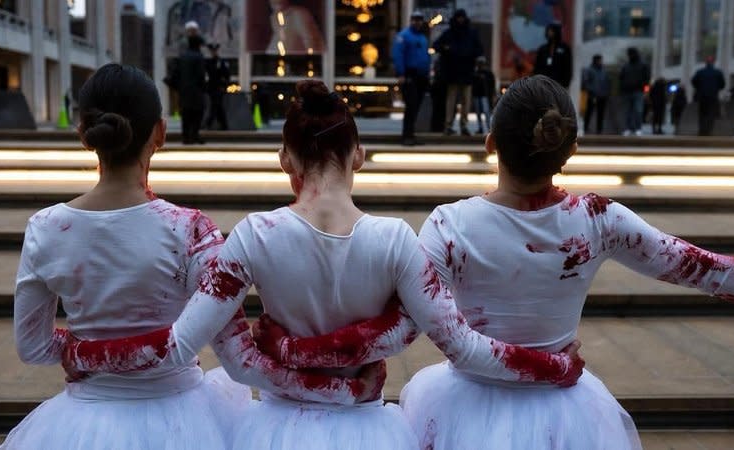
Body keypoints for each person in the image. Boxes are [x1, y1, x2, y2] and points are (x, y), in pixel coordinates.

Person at [266, 75, 734, 449]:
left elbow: (397, 329)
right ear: (568, 150)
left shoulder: (452, 226)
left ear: (491, 143)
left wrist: (292, 351)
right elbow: (711, 270)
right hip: (570, 409)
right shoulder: (598, 219)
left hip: (465, 408)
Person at [59, 80, 584, 449]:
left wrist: (78, 349)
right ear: (358, 154)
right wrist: (552, 364)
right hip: (367, 427)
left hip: (276, 427)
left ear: (285, 159)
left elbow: (219, 355)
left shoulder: (250, 237)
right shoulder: (397, 241)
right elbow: (458, 343)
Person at [0, 63, 251, 449]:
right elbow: (232, 348)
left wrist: (89, 349)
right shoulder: (190, 230)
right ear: (160, 133)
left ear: (84, 135)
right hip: (184, 416)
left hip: (82, 419)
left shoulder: (46, 228)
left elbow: (32, 347)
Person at [433, 9, 483, 136]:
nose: (460, 20)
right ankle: (449, 125)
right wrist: (446, 50)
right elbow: (436, 45)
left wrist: (448, 50)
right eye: (459, 17)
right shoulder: (453, 33)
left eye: (462, 17)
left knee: (463, 101)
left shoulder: (466, 33)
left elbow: (479, 49)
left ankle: (462, 125)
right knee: (453, 101)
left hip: (463, 72)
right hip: (455, 72)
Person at [393, 10, 431, 146]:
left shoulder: (422, 37)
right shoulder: (404, 36)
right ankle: (406, 136)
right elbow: (398, 55)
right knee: (411, 105)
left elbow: (426, 56)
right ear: (411, 21)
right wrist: (401, 73)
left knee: (416, 107)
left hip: (421, 76)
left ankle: (411, 134)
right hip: (409, 75)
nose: (417, 22)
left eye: (419, 20)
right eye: (415, 19)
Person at [179, 34, 207, 144]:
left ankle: (186, 137)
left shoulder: (183, 56)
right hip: (196, 91)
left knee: (186, 114)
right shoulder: (198, 57)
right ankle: (194, 135)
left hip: (184, 90)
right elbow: (201, 75)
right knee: (197, 113)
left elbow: (176, 73)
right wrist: (204, 87)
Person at [691, 56, 726, 136]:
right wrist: (716, 88)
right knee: (711, 114)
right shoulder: (717, 72)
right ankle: (709, 130)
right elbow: (722, 84)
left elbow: (693, 82)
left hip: (702, 96)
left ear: (706, 63)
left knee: (702, 114)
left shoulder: (700, 72)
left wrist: (699, 88)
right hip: (713, 96)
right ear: (713, 62)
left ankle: (702, 130)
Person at [619, 47, 650, 136]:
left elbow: (646, 79)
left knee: (637, 110)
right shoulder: (626, 66)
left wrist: (645, 91)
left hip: (638, 91)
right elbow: (621, 78)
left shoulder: (642, 65)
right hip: (628, 91)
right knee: (629, 111)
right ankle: (629, 128)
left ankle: (637, 128)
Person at [533, 23, 572, 89]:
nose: (549, 33)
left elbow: (568, 67)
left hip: (559, 83)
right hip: (543, 83)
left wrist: (566, 83)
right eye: (548, 31)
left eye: (551, 31)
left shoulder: (565, 48)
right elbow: (537, 66)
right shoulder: (543, 49)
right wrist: (537, 80)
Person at [582, 54, 609, 134]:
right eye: (599, 60)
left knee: (601, 114)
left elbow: (607, 82)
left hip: (602, 96)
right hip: (592, 96)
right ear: (595, 60)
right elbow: (585, 82)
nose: (600, 62)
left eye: (601, 60)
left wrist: (606, 92)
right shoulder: (589, 70)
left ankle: (599, 130)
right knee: (589, 113)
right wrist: (591, 90)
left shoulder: (603, 71)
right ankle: (585, 128)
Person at [205, 42, 230, 130]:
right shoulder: (208, 62)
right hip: (212, 87)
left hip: (219, 87)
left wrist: (225, 86)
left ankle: (209, 123)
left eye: (215, 51)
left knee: (215, 105)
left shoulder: (221, 62)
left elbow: (227, 75)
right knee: (217, 106)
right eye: (212, 51)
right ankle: (224, 125)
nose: (213, 52)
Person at [471, 56, 496, 135]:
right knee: (478, 113)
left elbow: (492, 84)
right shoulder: (475, 73)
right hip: (477, 95)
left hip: (484, 95)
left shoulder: (488, 73)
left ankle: (489, 128)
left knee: (486, 112)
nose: (480, 65)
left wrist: (492, 94)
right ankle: (481, 127)